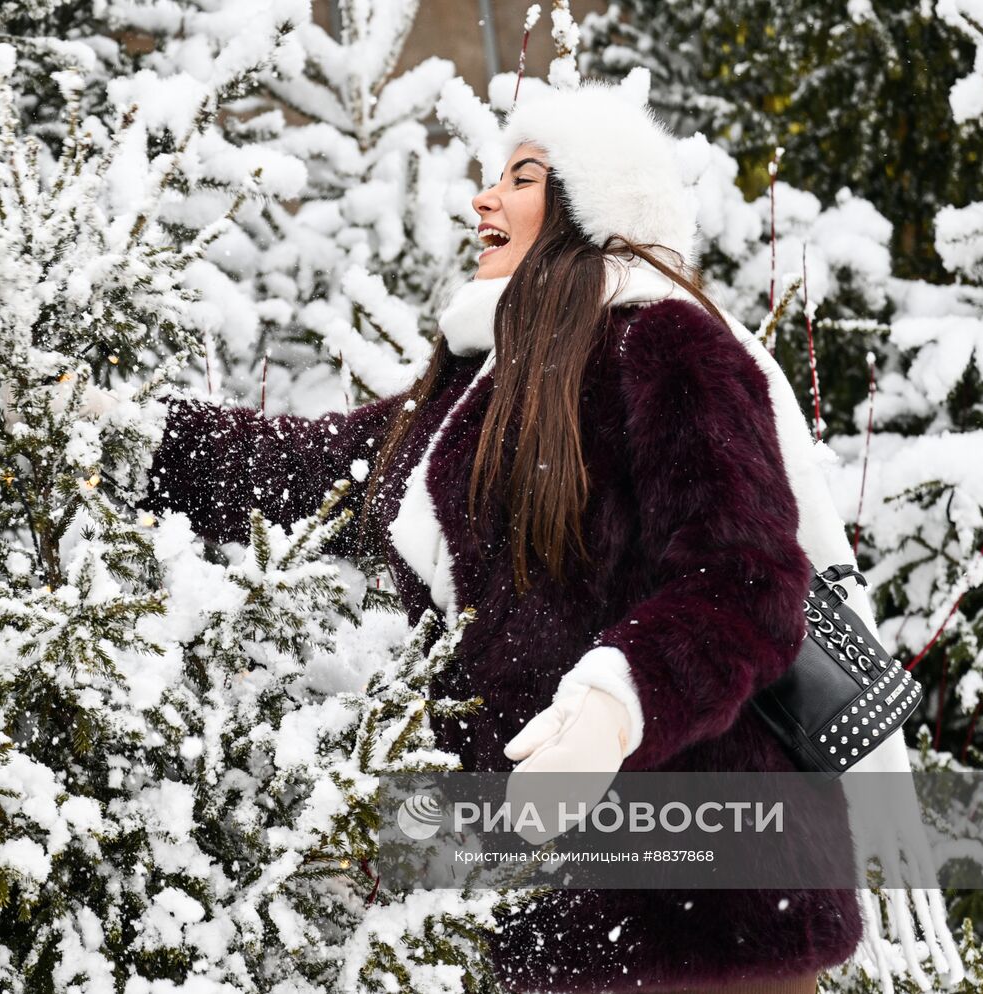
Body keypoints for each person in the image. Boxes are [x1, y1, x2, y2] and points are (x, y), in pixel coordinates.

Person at [145, 78, 864, 993]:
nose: (484, 200)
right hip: (546, 913)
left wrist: (617, 702)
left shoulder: (667, 346)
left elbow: (748, 580)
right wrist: (130, 436)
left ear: (592, 205)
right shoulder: (478, 392)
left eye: (521, 178)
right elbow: (315, 467)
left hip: (711, 905)